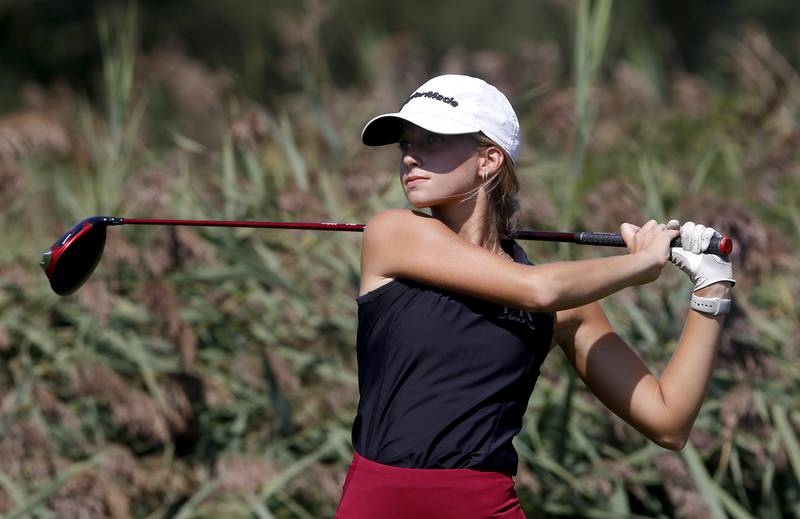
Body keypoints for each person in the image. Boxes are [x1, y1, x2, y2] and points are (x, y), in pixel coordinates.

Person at [334, 74, 735, 518]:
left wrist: (711, 289)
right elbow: (537, 290)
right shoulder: (395, 232)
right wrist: (640, 264)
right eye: (405, 144)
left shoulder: (568, 304)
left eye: (432, 139)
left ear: (488, 159)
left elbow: (668, 421)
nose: (410, 156)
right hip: (376, 505)